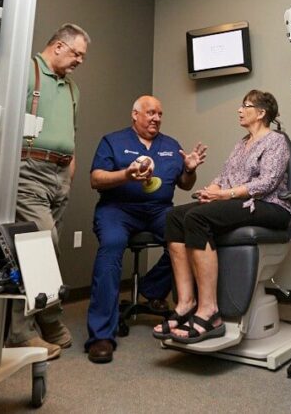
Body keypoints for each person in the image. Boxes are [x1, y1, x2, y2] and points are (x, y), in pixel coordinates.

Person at [153, 90, 291, 344]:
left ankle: (210, 312)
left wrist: (225, 195)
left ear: (261, 113)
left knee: (197, 218)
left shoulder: (276, 141)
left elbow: (267, 183)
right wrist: (211, 190)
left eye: (245, 106)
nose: (239, 110)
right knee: (175, 216)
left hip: (269, 206)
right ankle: (186, 303)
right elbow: (225, 175)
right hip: (239, 201)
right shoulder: (242, 143)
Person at [0, 23, 89, 359]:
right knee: (40, 246)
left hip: (59, 175)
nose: (79, 62)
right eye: (77, 54)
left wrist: (69, 169)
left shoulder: (72, 88)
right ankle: (31, 327)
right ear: (58, 46)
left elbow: (71, 131)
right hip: (27, 170)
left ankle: (37, 322)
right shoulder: (24, 73)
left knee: (39, 251)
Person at [84, 96, 207, 363]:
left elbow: (185, 184)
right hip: (118, 209)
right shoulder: (112, 141)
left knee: (186, 238)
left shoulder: (171, 145)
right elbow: (96, 179)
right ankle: (101, 335)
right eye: (150, 113)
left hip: (159, 210)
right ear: (135, 114)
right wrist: (126, 175)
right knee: (112, 246)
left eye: (160, 114)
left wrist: (190, 170)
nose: (156, 118)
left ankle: (151, 289)